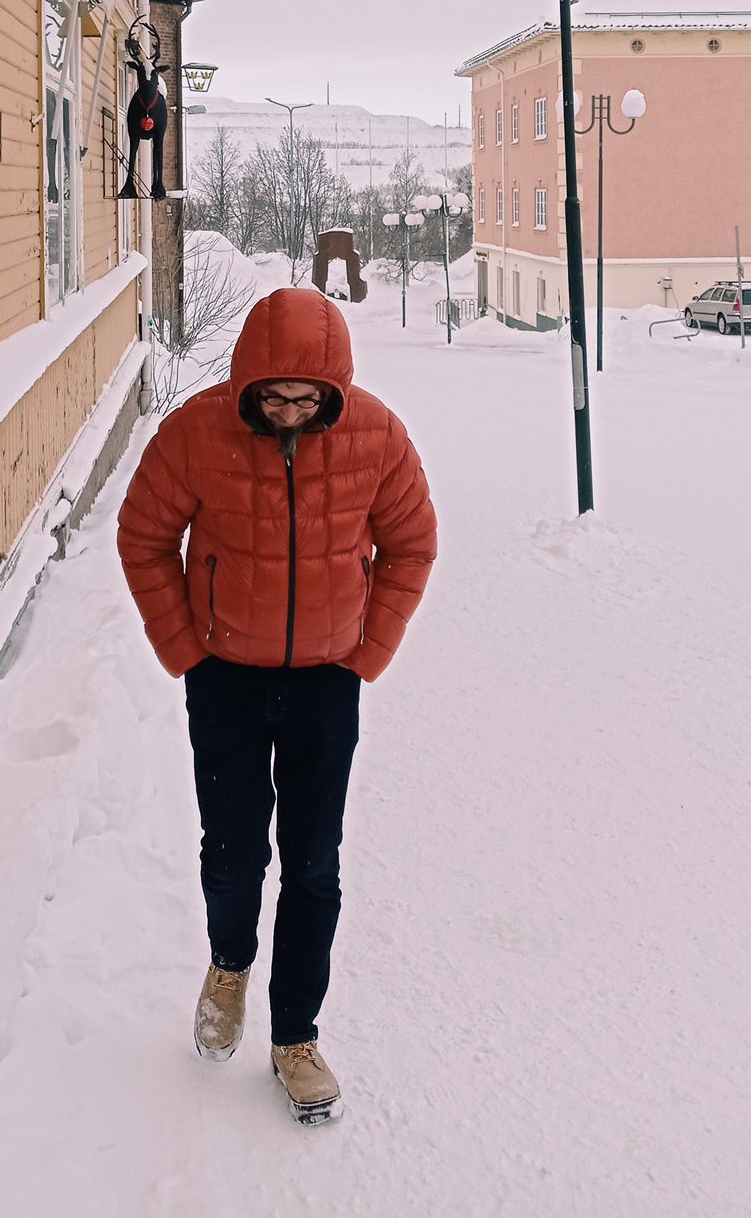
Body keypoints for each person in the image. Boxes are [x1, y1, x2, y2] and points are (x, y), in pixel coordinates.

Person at [117, 287, 437, 1125]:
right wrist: (184, 648)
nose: (290, 412)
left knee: (314, 863)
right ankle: (229, 965)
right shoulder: (196, 433)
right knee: (232, 852)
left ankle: (296, 1035)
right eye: (273, 396)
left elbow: (412, 544)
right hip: (224, 677)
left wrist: (369, 650)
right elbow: (144, 536)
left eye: (308, 399)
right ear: (246, 381)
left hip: (326, 685)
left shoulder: (376, 436)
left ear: (335, 390)